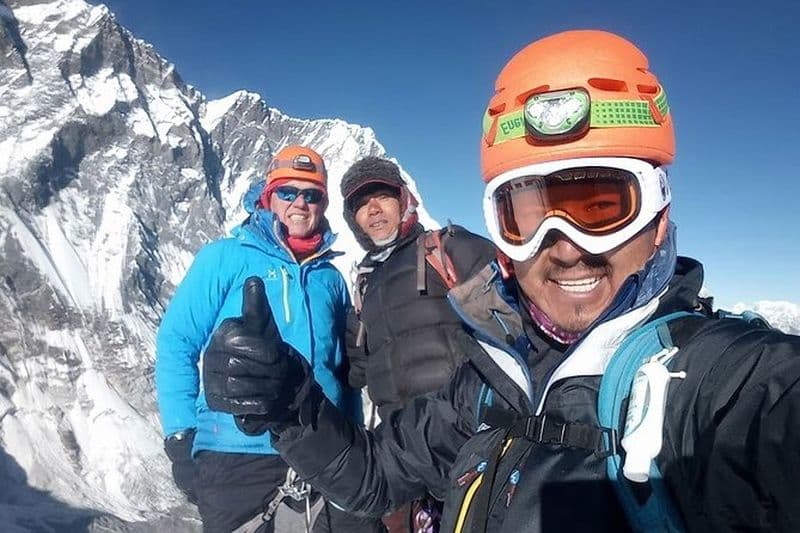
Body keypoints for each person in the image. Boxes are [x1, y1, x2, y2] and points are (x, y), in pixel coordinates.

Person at [201, 31, 800, 533]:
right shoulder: (491, 382)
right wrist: (291, 404)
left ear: (659, 216)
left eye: (601, 207)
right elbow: (376, 475)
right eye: (528, 215)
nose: (566, 247)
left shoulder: (722, 389)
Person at [156, 145, 379, 532]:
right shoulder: (225, 258)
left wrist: (354, 437)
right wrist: (180, 434)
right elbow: (177, 341)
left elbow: (343, 371)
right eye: (288, 192)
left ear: (323, 205)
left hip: (324, 446)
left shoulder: (330, 278)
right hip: (237, 455)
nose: (300, 203)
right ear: (268, 197)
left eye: (312, 195)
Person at [340, 157, 496, 530]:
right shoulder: (365, 283)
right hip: (406, 469)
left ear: (404, 199)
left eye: (382, 196)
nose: (373, 209)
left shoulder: (448, 249)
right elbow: (358, 373)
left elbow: (519, 330)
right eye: (361, 204)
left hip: (471, 453)